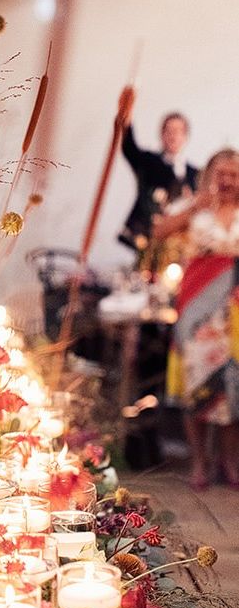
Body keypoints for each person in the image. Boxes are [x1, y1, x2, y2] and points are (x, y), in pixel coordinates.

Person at [155, 149, 239, 490]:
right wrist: (194, 207)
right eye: (222, 173)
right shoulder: (194, 208)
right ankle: (199, 463)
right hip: (196, 308)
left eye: (234, 174)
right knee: (196, 386)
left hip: (233, 311)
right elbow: (159, 232)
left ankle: (229, 461)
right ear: (209, 174)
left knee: (232, 387)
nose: (228, 180)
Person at [118, 111, 199, 251]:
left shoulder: (194, 173)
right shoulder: (148, 162)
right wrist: (126, 120)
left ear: (185, 136)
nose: (173, 136)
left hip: (176, 242)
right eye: (169, 131)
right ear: (162, 135)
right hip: (145, 237)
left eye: (178, 131)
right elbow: (129, 149)